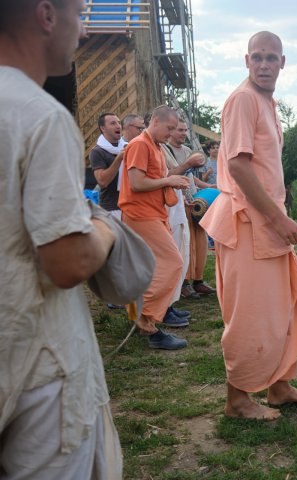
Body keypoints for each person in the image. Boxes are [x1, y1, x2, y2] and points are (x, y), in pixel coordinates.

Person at [0, 0, 123, 477]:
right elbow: (67, 262)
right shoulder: (40, 117)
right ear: (47, 15)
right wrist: (106, 230)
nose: (85, 31)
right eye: (81, 12)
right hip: (37, 360)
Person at [200, 31, 297, 420]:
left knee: (288, 305)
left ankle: (279, 387)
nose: (264, 64)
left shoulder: (267, 102)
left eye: (271, 58)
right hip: (248, 223)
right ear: (246, 61)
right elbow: (237, 165)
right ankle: (237, 400)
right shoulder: (243, 99)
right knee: (251, 315)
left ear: (282, 63)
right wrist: (278, 217)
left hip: (265, 223)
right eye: (257, 57)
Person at [118, 105, 191, 348]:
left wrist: (171, 182)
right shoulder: (140, 144)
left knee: (149, 268)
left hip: (155, 214)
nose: (171, 133)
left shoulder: (156, 147)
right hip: (140, 215)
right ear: (155, 121)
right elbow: (137, 183)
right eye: (169, 128)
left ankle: (145, 321)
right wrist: (168, 180)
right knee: (173, 263)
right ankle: (144, 317)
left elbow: (153, 179)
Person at [164, 119, 216, 298]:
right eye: (180, 130)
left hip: (195, 201)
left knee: (200, 241)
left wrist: (208, 186)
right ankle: (184, 283)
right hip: (178, 202)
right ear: (171, 131)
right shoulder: (165, 150)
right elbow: (169, 175)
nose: (184, 133)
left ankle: (198, 280)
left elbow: (192, 177)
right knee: (184, 243)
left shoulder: (187, 150)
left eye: (185, 130)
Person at [90, 112, 123, 219]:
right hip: (111, 208)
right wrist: (119, 159)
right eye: (113, 123)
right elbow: (102, 182)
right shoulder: (97, 151)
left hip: (131, 205)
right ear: (103, 128)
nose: (118, 126)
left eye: (119, 123)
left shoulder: (127, 146)